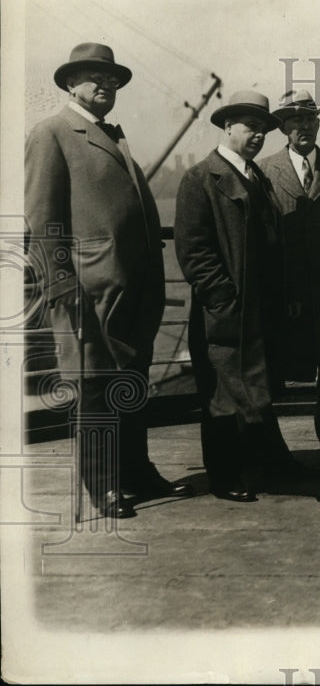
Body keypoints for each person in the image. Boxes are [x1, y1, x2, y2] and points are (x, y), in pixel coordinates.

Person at [24, 42, 194, 518]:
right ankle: (103, 485)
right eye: (94, 76)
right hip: (87, 291)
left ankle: (136, 470)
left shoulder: (112, 136)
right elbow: (43, 223)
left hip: (134, 289)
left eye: (112, 79)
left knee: (133, 381)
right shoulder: (52, 133)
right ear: (70, 83)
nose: (105, 84)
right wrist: (63, 289)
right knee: (96, 387)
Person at [175, 90, 307, 502]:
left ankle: (269, 462)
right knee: (223, 393)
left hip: (260, 307)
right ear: (228, 126)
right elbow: (194, 251)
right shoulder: (201, 178)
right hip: (228, 310)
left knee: (256, 386)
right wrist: (223, 299)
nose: (258, 135)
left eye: (263, 128)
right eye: (250, 126)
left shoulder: (256, 177)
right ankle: (224, 477)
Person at [259, 90, 320, 468]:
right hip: (285, 296)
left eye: (310, 119)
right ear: (283, 127)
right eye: (295, 120)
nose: (304, 126)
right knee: (276, 370)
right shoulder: (264, 171)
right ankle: (273, 450)